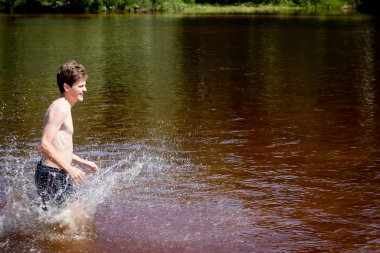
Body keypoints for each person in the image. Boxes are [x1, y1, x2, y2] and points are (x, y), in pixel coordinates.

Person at [35, 60, 99, 211]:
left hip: (59, 172)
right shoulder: (60, 108)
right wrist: (69, 168)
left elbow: (59, 146)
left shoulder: (65, 107)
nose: (85, 90)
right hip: (52, 175)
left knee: (78, 218)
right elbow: (44, 145)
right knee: (61, 225)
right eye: (81, 86)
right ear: (66, 87)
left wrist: (81, 162)